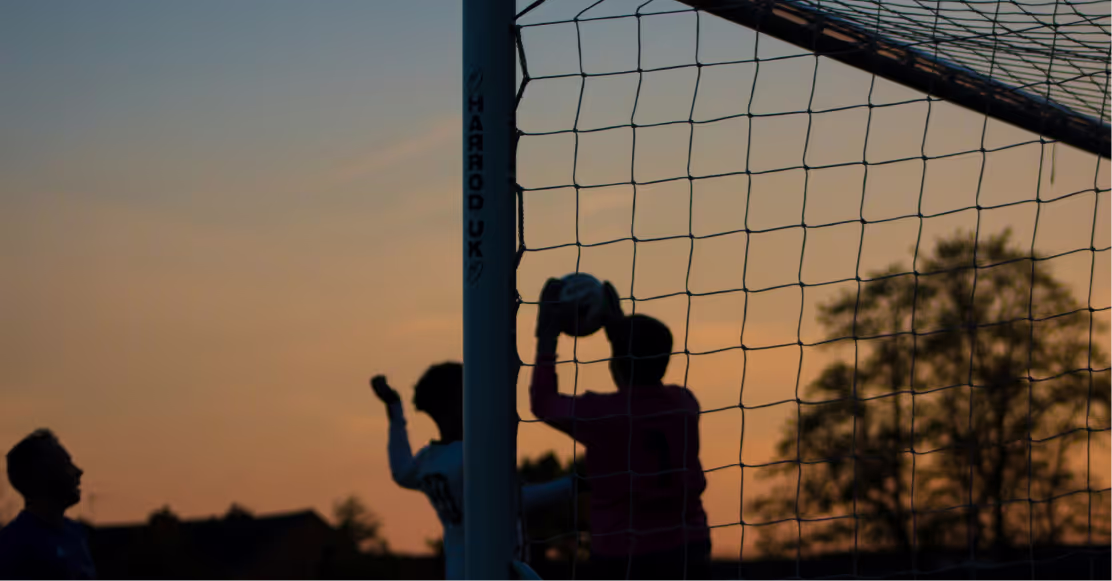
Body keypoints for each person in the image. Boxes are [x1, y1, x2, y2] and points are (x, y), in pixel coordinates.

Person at [530, 279, 711, 581]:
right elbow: (635, 362)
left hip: (624, 554)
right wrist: (619, 329)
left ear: (614, 364)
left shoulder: (602, 415)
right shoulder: (684, 405)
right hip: (688, 548)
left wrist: (547, 336)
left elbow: (543, 403)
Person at [370, 362, 573, 581]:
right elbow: (512, 502)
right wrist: (575, 483)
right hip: (495, 569)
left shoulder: (429, 460)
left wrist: (394, 408)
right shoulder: (473, 456)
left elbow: (400, 471)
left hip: (458, 571)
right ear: (458, 403)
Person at [0, 429, 97, 581]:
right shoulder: (12, 544)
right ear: (41, 476)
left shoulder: (78, 533)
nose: (78, 471)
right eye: (66, 464)